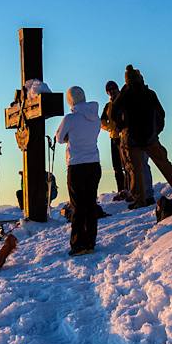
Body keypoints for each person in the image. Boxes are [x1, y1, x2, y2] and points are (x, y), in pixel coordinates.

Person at [110, 65, 172, 209]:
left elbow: (113, 113)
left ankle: (140, 200)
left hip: (131, 139)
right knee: (163, 163)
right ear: (140, 78)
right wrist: (156, 131)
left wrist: (122, 127)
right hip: (150, 137)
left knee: (135, 170)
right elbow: (161, 114)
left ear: (126, 80)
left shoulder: (124, 95)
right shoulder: (149, 93)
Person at [54, 85, 102, 255]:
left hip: (76, 165)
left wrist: (69, 136)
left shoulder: (70, 119)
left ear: (70, 100)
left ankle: (78, 244)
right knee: (90, 204)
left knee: (78, 205)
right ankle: (90, 242)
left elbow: (59, 138)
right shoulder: (95, 118)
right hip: (94, 164)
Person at [99, 80, 129, 200]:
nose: (112, 92)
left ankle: (129, 188)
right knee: (117, 166)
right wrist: (110, 128)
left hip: (124, 137)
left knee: (127, 165)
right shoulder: (108, 106)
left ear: (117, 89)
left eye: (113, 89)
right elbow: (101, 121)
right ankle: (121, 190)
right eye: (109, 90)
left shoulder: (123, 101)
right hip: (114, 138)